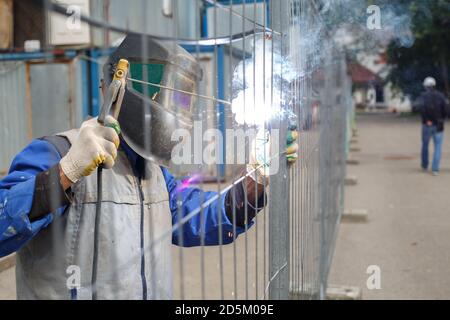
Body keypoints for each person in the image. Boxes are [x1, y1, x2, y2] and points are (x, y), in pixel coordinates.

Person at [0, 35, 298, 300]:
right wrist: (67, 172)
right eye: (176, 98)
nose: (181, 112)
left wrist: (256, 177)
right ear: (119, 86)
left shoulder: (155, 176)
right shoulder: (56, 153)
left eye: (186, 100)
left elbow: (202, 217)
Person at [413, 77, 449, 175]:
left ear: (425, 86)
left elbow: (419, 108)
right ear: (434, 85)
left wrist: (427, 120)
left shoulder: (422, 96)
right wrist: (442, 119)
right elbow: (446, 110)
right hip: (439, 125)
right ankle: (435, 169)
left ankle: (425, 165)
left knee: (425, 145)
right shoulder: (441, 96)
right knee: (438, 147)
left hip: (427, 125)